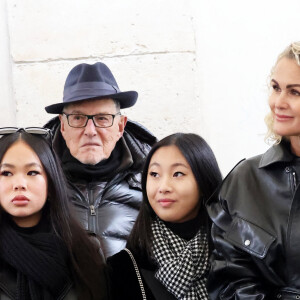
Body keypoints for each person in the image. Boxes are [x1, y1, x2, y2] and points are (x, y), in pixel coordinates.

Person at [206, 41, 300, 299]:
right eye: (276, 88)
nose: (278, 102)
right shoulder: (245, 180)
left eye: (295, 92)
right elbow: (228, 279)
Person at [44, 62, 156, 257]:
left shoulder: (154, 178)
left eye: (103, 118)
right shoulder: (35, 178)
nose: (90, 131)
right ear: (63, 125)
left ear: (120, 126)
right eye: (78, 118)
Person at [107, 133, 222, 299]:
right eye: (154, 174)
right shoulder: (121, 268)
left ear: (204, 180)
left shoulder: (235, 256)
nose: (163, 187)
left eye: (178, 174)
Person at [0, 127, 109, 299]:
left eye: (32, 172)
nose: (19, 183)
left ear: (51, 183)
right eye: (6, 173)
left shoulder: (87, 250)